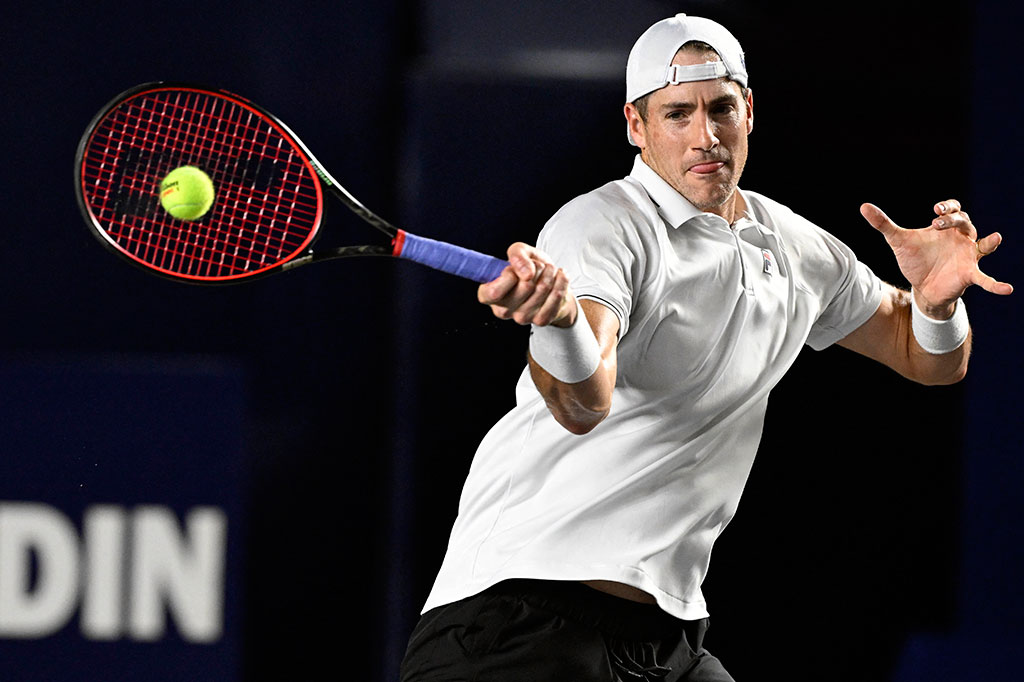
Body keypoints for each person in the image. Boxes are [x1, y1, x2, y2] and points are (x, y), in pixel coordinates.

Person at [399, 13, 1012, 682]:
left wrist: (934, 303)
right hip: (518, 620)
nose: (705, 136)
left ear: (748, 110)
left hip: (667, 639)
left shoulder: (796, 248)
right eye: (677, 114)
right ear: (637, 127)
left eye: (720, 108)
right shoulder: (602, 225)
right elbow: (583, 402)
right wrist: (560, 323)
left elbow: (927, 357)